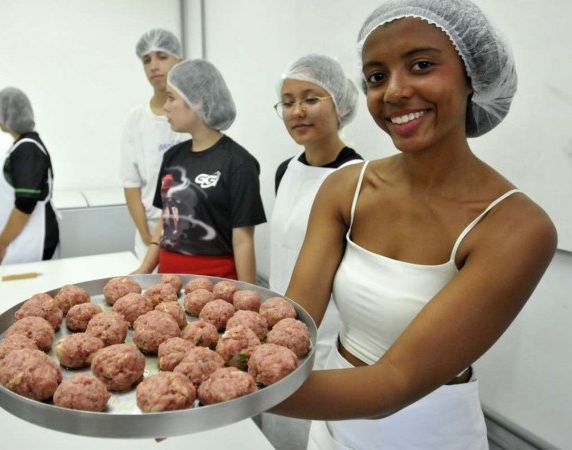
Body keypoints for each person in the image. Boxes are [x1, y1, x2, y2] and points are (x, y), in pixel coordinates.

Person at [271, 1, 558, 448]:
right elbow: (292, 323)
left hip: (429, 429)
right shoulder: (347, 187)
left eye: (421, 65)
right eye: (376, 76)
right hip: (330, 417)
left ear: (472, 77)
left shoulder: (516, 227)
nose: (394, 91)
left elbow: (393, 383)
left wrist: (219, 394)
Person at [263, 54, 363, 450]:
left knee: (318, 434)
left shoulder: (358, 178)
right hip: (278, 322)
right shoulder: (285, 170)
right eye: (287, 102)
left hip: (331, 335)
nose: (297, 111)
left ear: (339, 103)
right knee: (281, 430)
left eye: (311, 99)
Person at [133, 59, 266, 283]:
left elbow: (242, 240)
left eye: (171, 97)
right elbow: (166, 222)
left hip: (216, 287)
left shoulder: (238, 163)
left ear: (196, 101)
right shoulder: (172, 157)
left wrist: (248, 294)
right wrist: (145, 267)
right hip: (167, 283)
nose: (165, 106)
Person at [120, 29, 189, 261]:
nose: (153, 66)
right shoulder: (136, 119)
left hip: (191, 234)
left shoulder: (195, 117)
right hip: (148, 234)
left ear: (179, 61)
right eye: (146, 60)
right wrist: (148, 238)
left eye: (162, 57)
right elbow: (131, 185)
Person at [0, 87, 59, 265]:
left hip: (31, 239)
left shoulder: (28, 150)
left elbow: (25, 204)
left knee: (31, 291)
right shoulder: (21, 147)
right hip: (19, 237)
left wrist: (3, 242)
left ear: (7, 115)